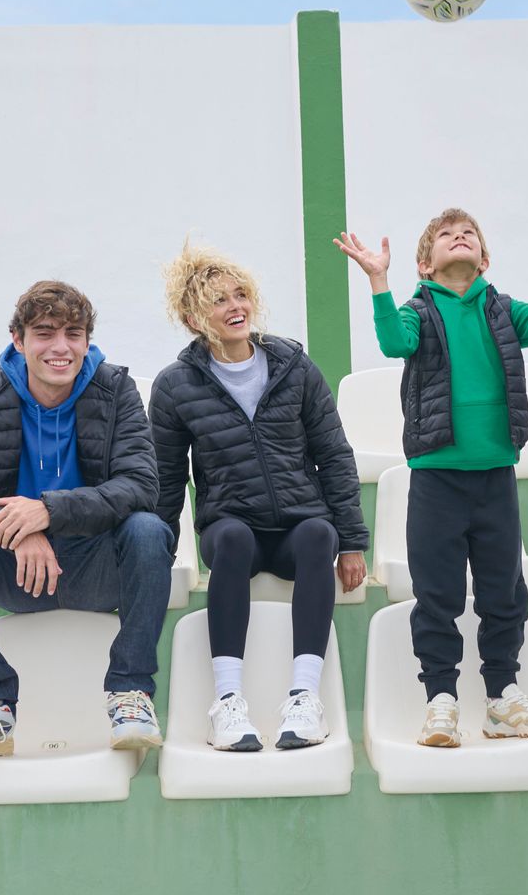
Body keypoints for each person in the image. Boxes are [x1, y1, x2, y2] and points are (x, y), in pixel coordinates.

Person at [335, 209, 528, 747]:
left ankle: (502, 697)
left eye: (468, 234)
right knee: (436, 595)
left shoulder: (502, 311)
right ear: (425, 264)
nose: (459, 237)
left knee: (504, 592)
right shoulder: (418, 312)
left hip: (495, 480)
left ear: (484, 259)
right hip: (436, 480)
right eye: (446, 235)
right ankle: (440, 698)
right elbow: (394, 342)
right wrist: (378, 280)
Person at [0, 280, 174, 761]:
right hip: (18, 571)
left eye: (73, 334)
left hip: (95, 567)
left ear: (87, 341)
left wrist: (48, 512)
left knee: (149, 530)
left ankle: (130, 692)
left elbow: (141, 485)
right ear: (18, 340)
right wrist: (21, 529)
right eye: (44, 333)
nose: (61, 347)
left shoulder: (115, 390)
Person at [149, 244, 368, 752]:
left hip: (296, 527)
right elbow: (166, 479)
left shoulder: (294, 367)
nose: (235, 307)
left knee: (319, 535)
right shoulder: (175, 386)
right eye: (219, 301)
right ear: (193, 319)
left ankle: (305, 698)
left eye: (240, 295)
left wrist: (353, 541)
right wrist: (157, 556)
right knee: (232, 539)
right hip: (231, 529)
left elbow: (334, 454)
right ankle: (228, 703)